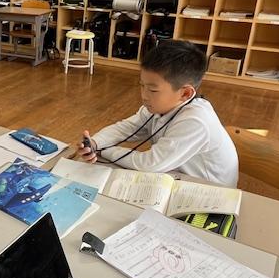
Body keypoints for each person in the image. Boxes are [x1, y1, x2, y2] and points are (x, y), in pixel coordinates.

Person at [76, 40, 238, 187]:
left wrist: (103, 150)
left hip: (210, 191)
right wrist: (96, 142)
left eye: (153, 90)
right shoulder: (160, 106)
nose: (144, 95)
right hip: (178, 176)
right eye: (142, 86)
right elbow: (126, 128)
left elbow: (150, 164)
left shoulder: (196, 121)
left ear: (185, 93)